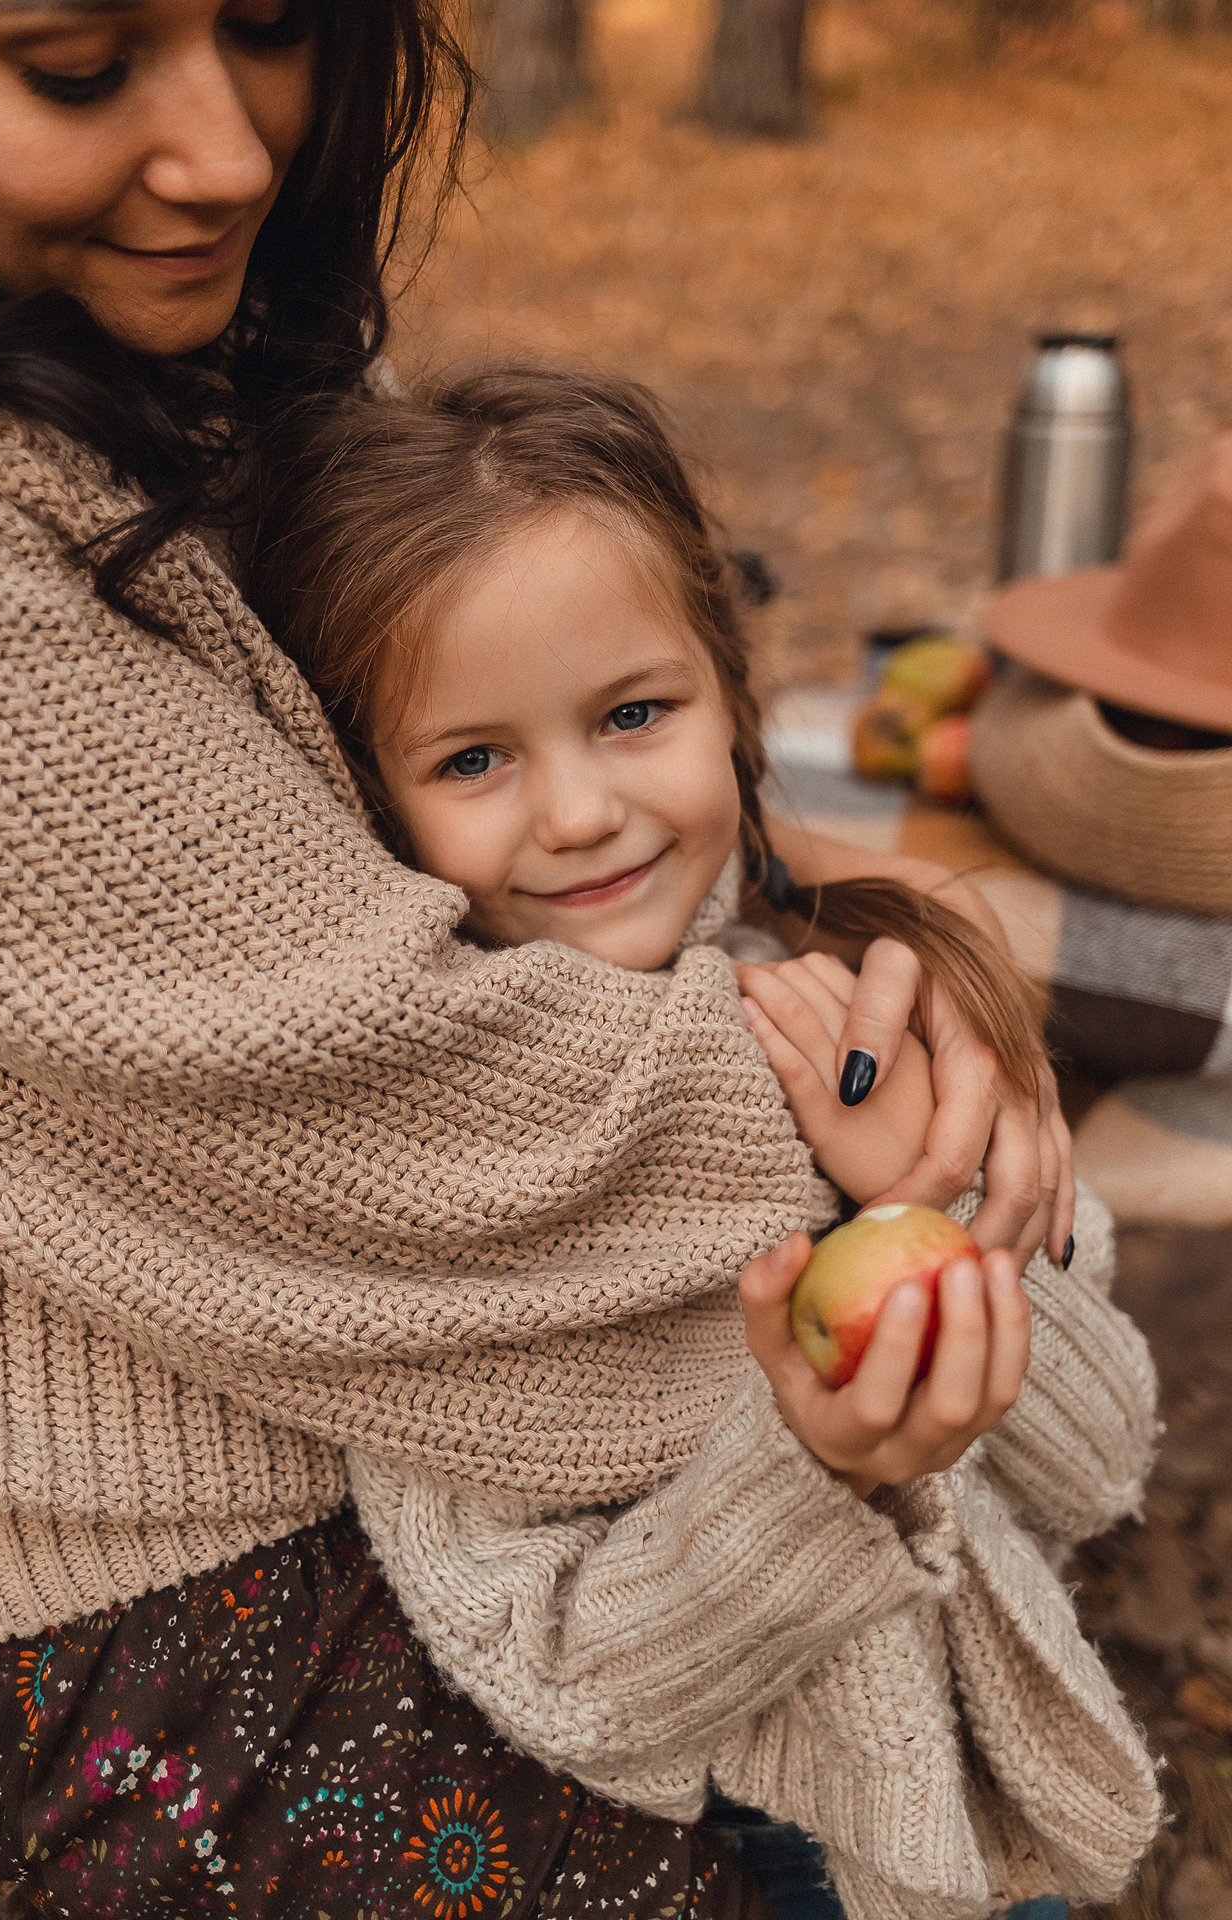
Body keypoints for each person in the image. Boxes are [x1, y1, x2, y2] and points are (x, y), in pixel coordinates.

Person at [0, 0, 1141, 1915]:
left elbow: (1073, 1448)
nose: (235, 154)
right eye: (75, 68)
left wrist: (877, 946)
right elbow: (423, 1113)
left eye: (269, 26)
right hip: (235, 1597)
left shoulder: (188, 360)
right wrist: (897, 1114)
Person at [247, 366, 1159, 1920]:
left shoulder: (842, 1012)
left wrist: (924, 1207)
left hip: (981, 1808)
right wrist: (823, 1469)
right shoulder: (443, 1182)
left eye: (633, 714)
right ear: (371, 806)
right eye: (474, 759)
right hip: (758, 1860)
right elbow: (577, 1677)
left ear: (732, 697)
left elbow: (1092, 1465)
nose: (584, 811)